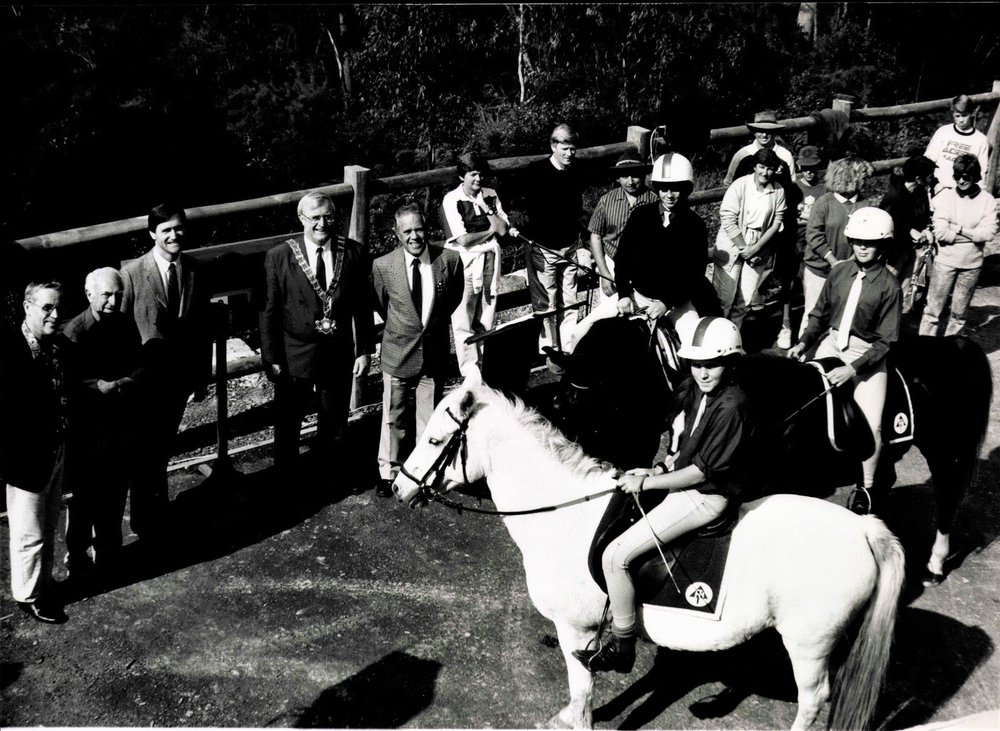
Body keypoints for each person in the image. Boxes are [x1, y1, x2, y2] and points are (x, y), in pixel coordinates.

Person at [573, 317, 751, 673]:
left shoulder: (732, 405)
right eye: (697, 363)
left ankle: (623, 646)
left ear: (730, 362)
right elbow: (683, 447)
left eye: (712, 364)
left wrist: (648, 484)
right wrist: (655, 470)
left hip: (705, 496)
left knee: (615, 556)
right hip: (681, 481)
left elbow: (702, 471)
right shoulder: (699, 391)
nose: (702, 372)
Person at [788, 207, 901, 515]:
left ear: (883, 245)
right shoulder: (839, 271)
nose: (862, 247)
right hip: (832, 342)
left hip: (864, 353)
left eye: (871, 242)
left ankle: (865, 486)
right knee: (801, 396)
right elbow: (820, 313)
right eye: (857, 241)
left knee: (872, 424)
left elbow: (887, 340)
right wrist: (803, 342)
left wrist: (852, 369)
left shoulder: (889, 285)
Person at [261, 192, 375, 478]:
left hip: (337, 350)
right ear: (302, 219)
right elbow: (268, 311)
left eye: (328, 216)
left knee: (335, 420)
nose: (322, 223)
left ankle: (330, 478)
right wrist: (271, 357)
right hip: (294, 354)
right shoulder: (280, 256)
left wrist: (364, 349)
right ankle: (286, 482)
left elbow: (362, 305)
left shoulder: (353, 252)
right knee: (289, 423)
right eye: (315, 217)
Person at [120, 202, 210, 540]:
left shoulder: (195, 271)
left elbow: (199, 329)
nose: (173, 235)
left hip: (178, 379)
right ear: (152, 234)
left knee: (162, 447)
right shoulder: (132, 274)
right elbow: (122, 331)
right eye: (166, 230)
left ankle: (158, 511)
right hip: (144, 382)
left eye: (178, 228)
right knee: (144, 451)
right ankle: (144, 521)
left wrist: (200, 376)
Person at [372, 203, 464, 497]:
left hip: (433, 354)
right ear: (397, 234)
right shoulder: (384, 266)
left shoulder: (449, 260)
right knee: (394, 416)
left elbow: (453, 299)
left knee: (430, 417)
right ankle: (390, 472)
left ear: (428, 229)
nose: (415, 236)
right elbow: (381, 303)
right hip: (398, 352)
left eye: (419, 229)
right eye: (407, 231)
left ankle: (425, 472)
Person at [61, 267, 146, 576]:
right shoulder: (75, 332)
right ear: (89, 295)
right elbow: (69, 382)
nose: (113, 301)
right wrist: (96, 386)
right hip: (89, 428)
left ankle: (109, 551)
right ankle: (77, 555)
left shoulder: (124, 323)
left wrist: (128, 380)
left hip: (120, 420)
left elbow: (140, 362)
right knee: (85, 497)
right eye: (107, 295)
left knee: (115, 489)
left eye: (118, 295)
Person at [1, 282, 73, 623]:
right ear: (27, 307)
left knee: (48, 526)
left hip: (56, 448)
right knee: (28, 533)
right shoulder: (9, 351)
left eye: (58, 307)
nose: (55, 315)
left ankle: (42, 586)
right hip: (25, 458)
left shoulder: (57, 345)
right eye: (47, 308)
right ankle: (28, 597)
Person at [613, 152, 716, 360]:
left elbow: (694, 274)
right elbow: (622, 258)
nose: (669, 195)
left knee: (695, 347)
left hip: (675, 302)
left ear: (685, 190)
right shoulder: (640, 215)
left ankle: (692, 390)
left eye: (675, 189)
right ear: (657, 188)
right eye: (664, 188)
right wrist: (623, 293)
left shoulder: (695, 225)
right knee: (583, 330)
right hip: (637, 296)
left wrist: (666, 303)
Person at [565, 147, 657, 352]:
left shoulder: (653, 200)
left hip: (643, 266)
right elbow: (595, 235)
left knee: (641, 312)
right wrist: (605, 273)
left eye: (635, 175)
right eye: (625, 176)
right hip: (612, 263)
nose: (630, 181)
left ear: (643, 175)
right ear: (618, 178)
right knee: (612, 313)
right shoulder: (607, 200)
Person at [522, 124, 590, 365]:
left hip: (570, 245)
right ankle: (549, 352)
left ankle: (568, 347)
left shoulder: (575, 171)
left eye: (573, 149)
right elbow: (532, 211)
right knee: (547, 302)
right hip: (544, 248)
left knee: (570, 299)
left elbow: (578, 210)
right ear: (553, 146)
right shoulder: (536, 171)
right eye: (565, 148)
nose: (570, 153)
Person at [441, 152, 512, 376]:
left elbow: (502, 229)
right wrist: (490, 231)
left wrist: (486, 207)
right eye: (473, 174)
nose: (478, 179)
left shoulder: (490, 195)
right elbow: (462, 240)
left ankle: (484, 367)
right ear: (462, 176)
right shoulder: (451, 200)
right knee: (463, 317)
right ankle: (469, 371)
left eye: (481, 174)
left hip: (490, 260)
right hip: (465, 264)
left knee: (487, 315)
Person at [918, 155, 998, 337]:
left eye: (966, 177)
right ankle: (923, 350)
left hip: (971, 265)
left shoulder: (987, 200)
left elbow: (989, 233)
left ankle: (952, 353)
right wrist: (973, 235)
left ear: (975, 176)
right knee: (933, 310)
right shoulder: (946, 198)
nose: (961, 181)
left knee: (959, 314)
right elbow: (940, 233)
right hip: (945, 262)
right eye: (957, 176)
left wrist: (958, 229)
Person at [712, 148, 788, 333]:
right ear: (754, 166)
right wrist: (743, 248)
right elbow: (728, 219)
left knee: (744, 301)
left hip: (760, 245)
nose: (765, 172)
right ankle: (717, 341)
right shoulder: (740, 185)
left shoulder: (777, 191)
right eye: (761, 167)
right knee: (724, 298)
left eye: (770, 168)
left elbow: (776, 223)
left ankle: (734, 339)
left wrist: (756, 249)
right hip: (733, 242)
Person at [798, 156, 874, 339]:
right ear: (849, 177)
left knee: (840, 314)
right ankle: (802, 353)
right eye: (862, 177)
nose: (865, 181)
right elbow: (814, 235)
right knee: (813, 313)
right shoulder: (824, 203)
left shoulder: (864, 205)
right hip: (819, 270)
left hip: (849, 270)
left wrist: (851, 261)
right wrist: (833, 261)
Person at [879, 155, 937, 314]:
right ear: (919, 178)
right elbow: (886, 225)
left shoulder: (921, 193)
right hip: (894, 252)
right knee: (889, 288)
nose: (933, 179)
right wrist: (910, 231)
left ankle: (901, 322)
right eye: (930, 175)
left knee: (907, 289)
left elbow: (924, 217)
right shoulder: (894, 195)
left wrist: (925, 229)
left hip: (911, 251)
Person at [924, 94, 990, 193]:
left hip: (965, 192)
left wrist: (977, 195)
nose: (961, 120)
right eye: (957, 116)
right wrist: (935, 184)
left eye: (964, 115)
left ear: (972, 113)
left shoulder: (980, 140)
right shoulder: (943, 132)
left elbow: (982, 172)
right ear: (953, 114)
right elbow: (927, 162)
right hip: (939, 188)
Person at [723, 110, 797, 186]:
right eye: (760, 131)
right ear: (754, 132)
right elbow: (729, 184)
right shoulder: (742, 154)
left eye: (768, 131)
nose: (764, 135)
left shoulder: (785, 155)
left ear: (774, 132)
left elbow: (791, 184)